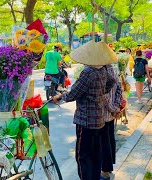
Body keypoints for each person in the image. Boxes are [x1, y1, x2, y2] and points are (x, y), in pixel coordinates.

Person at [53, 41, 117, 180]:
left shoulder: (88, 72)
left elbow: (73, 94)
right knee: (95, 154)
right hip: (99, 120)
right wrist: (101, 92)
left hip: (86, 120)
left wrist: (60, 96)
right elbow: (113, 81)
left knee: (83, 156)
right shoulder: (103, 70)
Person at [101, 64, 123, 180]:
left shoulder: (101, 70)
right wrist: (116, 107)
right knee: (109, 139)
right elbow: (119, 88)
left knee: (104, 142)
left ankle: (105, 170)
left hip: (102, 114)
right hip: (111, 113)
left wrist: (113, 109)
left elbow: (104, 95)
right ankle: (108, 167)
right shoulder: (112, 68)